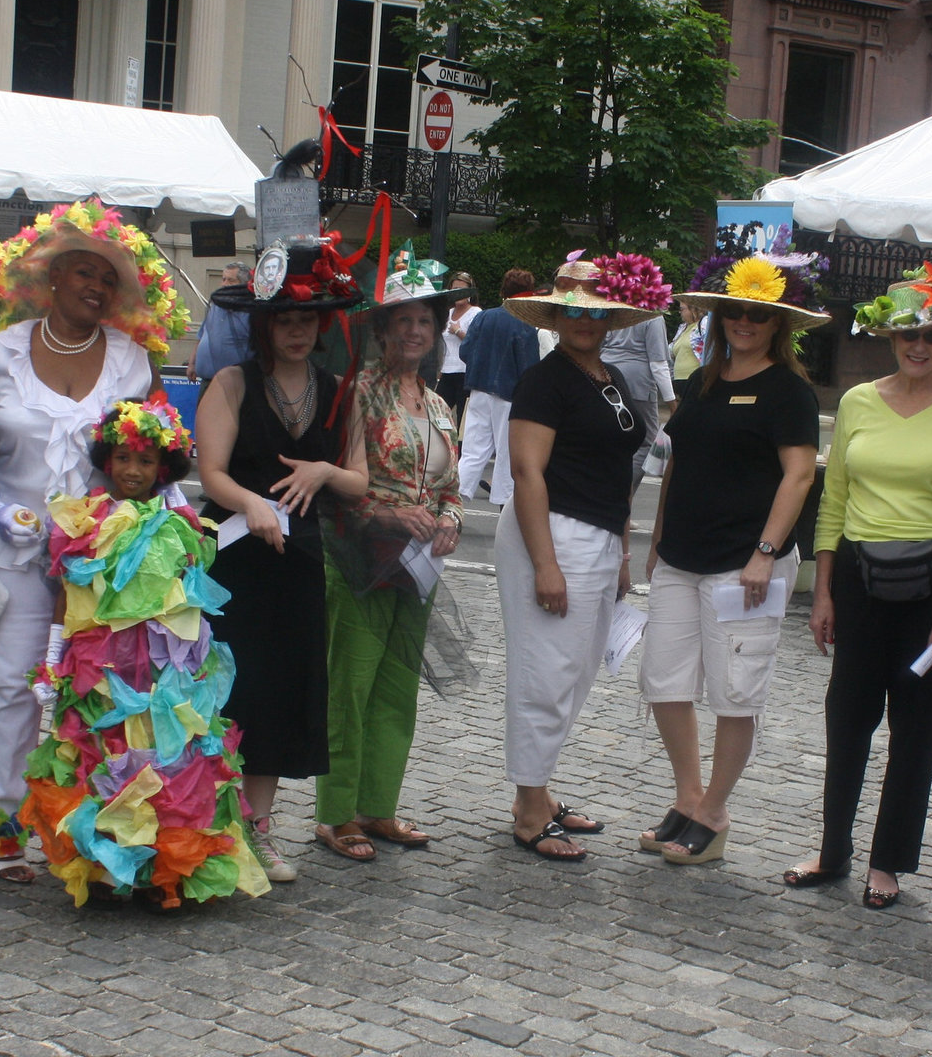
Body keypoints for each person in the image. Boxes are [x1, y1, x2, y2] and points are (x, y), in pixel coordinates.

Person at [0, 199, 187, 882]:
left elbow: (154, 455)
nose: (95, 286)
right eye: (82, 272)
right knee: (12, 685)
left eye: (107, 278)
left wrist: (171, 531)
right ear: (51, 279)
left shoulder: (131, 362)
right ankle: (4, 826)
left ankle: (86, 824)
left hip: (103, 561)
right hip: (18, 551)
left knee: (100, 694)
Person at [783, 250, 932, 909]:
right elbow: (834, 499)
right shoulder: (857, 403)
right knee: (846, 718)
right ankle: (834, 847)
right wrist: (821, 589)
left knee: (916, 725)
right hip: (858, 577)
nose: (919, 346)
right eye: (908, 334)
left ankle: (889, 860)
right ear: (890, 338)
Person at [19, 395, 270, 910]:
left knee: (166, 760)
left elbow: (192, 600)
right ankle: (110, 868)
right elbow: (66, 596)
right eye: (124, 458)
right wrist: (52, 655)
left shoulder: (179, 523)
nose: (133, 471)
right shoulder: (84, 521)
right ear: (106, 459)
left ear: (165, 466)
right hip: (104, 670)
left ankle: (164, 871)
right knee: (107, 756)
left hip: (164, 674)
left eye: (146, 460)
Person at [639, 254, 828, 864]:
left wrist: (765, 553)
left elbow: (799, 476)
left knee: (733, 690)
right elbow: (677, 461)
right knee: (663, 680)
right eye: (734, 312)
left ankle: (715, 811)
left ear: (777, 324)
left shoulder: (789, 391)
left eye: (757, 314)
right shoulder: (701, 380)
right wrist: (658, 536)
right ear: (719, 317)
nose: (744, 322)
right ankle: (689, 797)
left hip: (744, 563)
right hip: (681, 555)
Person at [193, 249, 367, 883]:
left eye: (309, 320)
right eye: (285, 319)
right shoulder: (232, 382)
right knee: (229, 690)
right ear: (264, 324)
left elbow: (359, 478)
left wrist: (325, 472)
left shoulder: (337, 391)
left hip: (301, 563)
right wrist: (251, 503)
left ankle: (257, 829)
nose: (297, 330)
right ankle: (207, 821)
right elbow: (209, 471)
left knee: (280, 695)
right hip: (234, 559)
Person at [494, 255, 669, 859]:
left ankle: (538, 792)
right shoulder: (545, 380)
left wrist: (621, 549)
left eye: (596, 311)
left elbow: (617, 469)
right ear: (558, 314)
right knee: (546, 671)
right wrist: (546, 563)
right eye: (574, 310)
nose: (585, 321)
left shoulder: (610, 379)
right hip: (554, 532)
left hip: (597, 536)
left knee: (577, 669)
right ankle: (528, 803)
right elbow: (526, 471)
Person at [315, 263, 470, 861]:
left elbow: (451, 486)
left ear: (436, 331)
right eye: (402, 320)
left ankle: (377, 807)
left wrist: (451, 522)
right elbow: (340, 487)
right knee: (348, 687)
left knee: (398, 687)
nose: (414, 330)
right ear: (381, 330)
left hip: (418, 566)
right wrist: (387, 514)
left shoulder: (436, 403)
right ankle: (334, 816)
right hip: (359, 559)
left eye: (423, 321)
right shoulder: (358, 391)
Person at [457, 268, 540, 504]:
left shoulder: (484, 317)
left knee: (473, 450)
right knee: (506, 452)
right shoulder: (525, 323)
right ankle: (504, 502)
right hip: (509, 394)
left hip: (479, 389)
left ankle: (455, 498)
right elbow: (528, 366)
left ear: (503, 290)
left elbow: (465, 351)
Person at [600, 308, 675, 492]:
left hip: (606, 375)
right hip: (638, 383)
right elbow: (658, 364)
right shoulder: (652, 315)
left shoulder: (616, 307)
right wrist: (672, 401)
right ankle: (622, 492)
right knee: (645, 441)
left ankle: (606, 489)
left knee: (610, 437)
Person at [185, 260, 253, 383]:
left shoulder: (250, 311)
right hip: (206, 381)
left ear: (244, 284)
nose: (224, 284)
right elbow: (202, 337)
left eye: (230, 280)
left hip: (235, 383)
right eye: (223, 279)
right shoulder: (215, 306)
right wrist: (192, 363)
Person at [438, 270, 480, 424]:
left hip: (465, 373)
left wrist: (458, 331)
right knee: (438, 412)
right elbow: (443, 344)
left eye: (462, 290)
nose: (458, 294)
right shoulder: (448, 313)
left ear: (469, 292)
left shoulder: (476, 313)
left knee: (463, 418)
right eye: (454, 289)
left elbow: (477, 343)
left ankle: (462, 448)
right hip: (447, 371)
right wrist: (440, 369)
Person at [668, 300, 705, 399]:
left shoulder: (703, 325)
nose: (680, 312)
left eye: (682, 309)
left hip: (695, 381)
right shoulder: (682, 328)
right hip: (679, 382)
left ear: (693, 309)